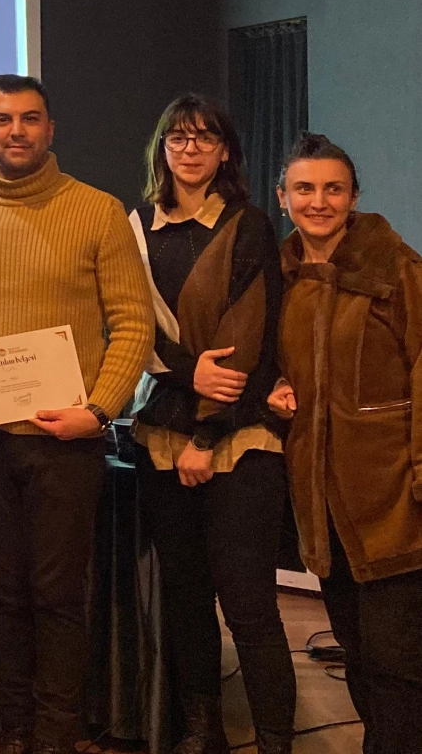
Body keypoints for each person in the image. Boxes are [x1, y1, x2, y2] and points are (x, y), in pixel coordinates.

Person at [0, 75, 154, 754]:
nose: (16, 131)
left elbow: (132, 322)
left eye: (29, 118)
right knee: (1, 594)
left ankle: (56, 733)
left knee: (57, 596)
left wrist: (100, 410)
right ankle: (14, 728)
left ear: (50, 129)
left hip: (66, 443)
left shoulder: (97, 210)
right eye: (2, 120)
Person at [127, 96, 294, 754]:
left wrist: (205, 437)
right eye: (177, 137)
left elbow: (246, 343)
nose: (190, 149)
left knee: (248, 605)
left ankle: (275, 740)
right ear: (161, 149)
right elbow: (129, 328)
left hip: (237, 439)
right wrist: (185, 373)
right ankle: (203, 732)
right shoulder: (134, 228)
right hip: (160, 439)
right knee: (185, 597)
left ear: (224, 151)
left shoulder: (248, 225)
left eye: (203, 138)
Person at [267, 134, 422, 754]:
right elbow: (277, 363)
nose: (319, 201)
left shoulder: (397, 269)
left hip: (393, 502)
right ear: (282, 197)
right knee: (357, 653)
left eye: (333, 189)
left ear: (354, 197)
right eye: (304, 188)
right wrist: (277, 385)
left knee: (397, 661)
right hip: (323, 506)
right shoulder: (278, 279)